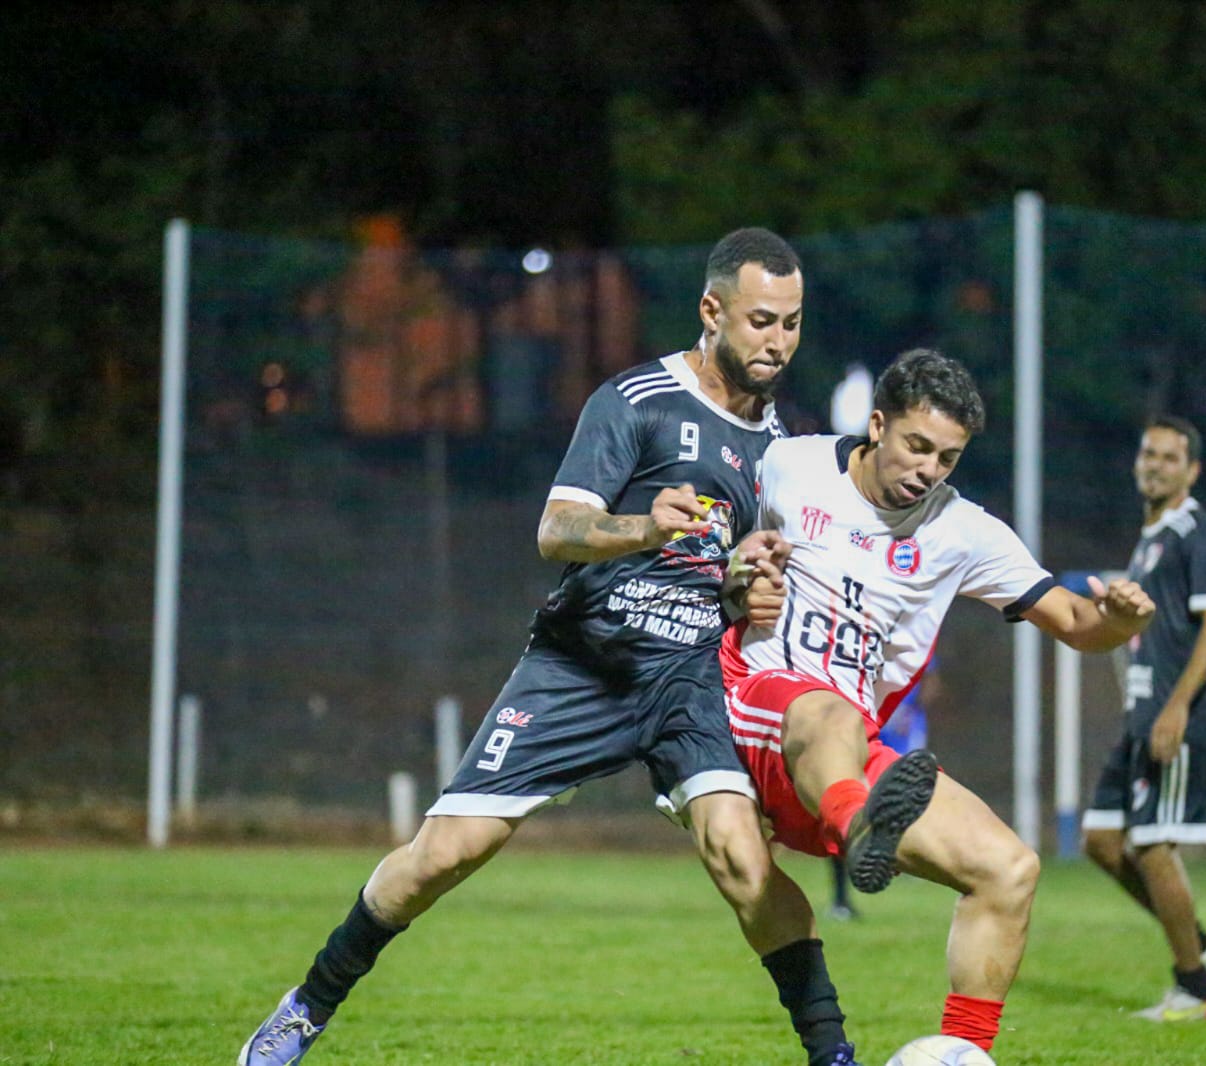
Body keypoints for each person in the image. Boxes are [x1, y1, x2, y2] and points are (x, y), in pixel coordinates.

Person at [241, 228, 866, 1066]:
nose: (778, 342)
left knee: (742, 861)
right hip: (583, 661)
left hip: (689, 680)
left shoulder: (777, 446)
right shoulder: (637, 399)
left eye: (791, 323)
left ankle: (834, 1055)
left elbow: (730, 572)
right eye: (761, 321)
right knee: (447, 853)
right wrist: (645, 525)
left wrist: (751, 585)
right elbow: (557, 529)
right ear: (712, 311)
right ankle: (306, 1008)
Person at [722, 348, 1155, 1053]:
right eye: (917, 446)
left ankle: (963, 1052)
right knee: (826, 708)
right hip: (757, 709)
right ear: (877, 425)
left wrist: (1122, 623)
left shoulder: (963, 532)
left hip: (846, 754)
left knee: (1007, 870)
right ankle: (861, 826)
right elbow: (713, 545)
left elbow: (1077, 623)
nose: (927, 469)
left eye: (947, 458)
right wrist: (739, 570)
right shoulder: (788, 465)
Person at [1080, 415, 1206, 1023]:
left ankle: (1195, 990)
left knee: (1152, 846)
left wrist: (1175, 708)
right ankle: (1197, 940)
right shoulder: (1150, 538)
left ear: (1191, 470)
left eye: (1170, 457)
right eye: (1148, 453)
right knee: (1100, 839)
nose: (1155, 464)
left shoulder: (1196, 530)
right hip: (1143, 713)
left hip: (1180, 715)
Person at [825, 657, 936, 920]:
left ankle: (902, 856)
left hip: (902, 735)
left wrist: (912, 710)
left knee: (908, 794)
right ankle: (843, 895)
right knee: (848, 802)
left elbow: (931, 681)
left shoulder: (912, 639)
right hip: (866, 729)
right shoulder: (856, 644)